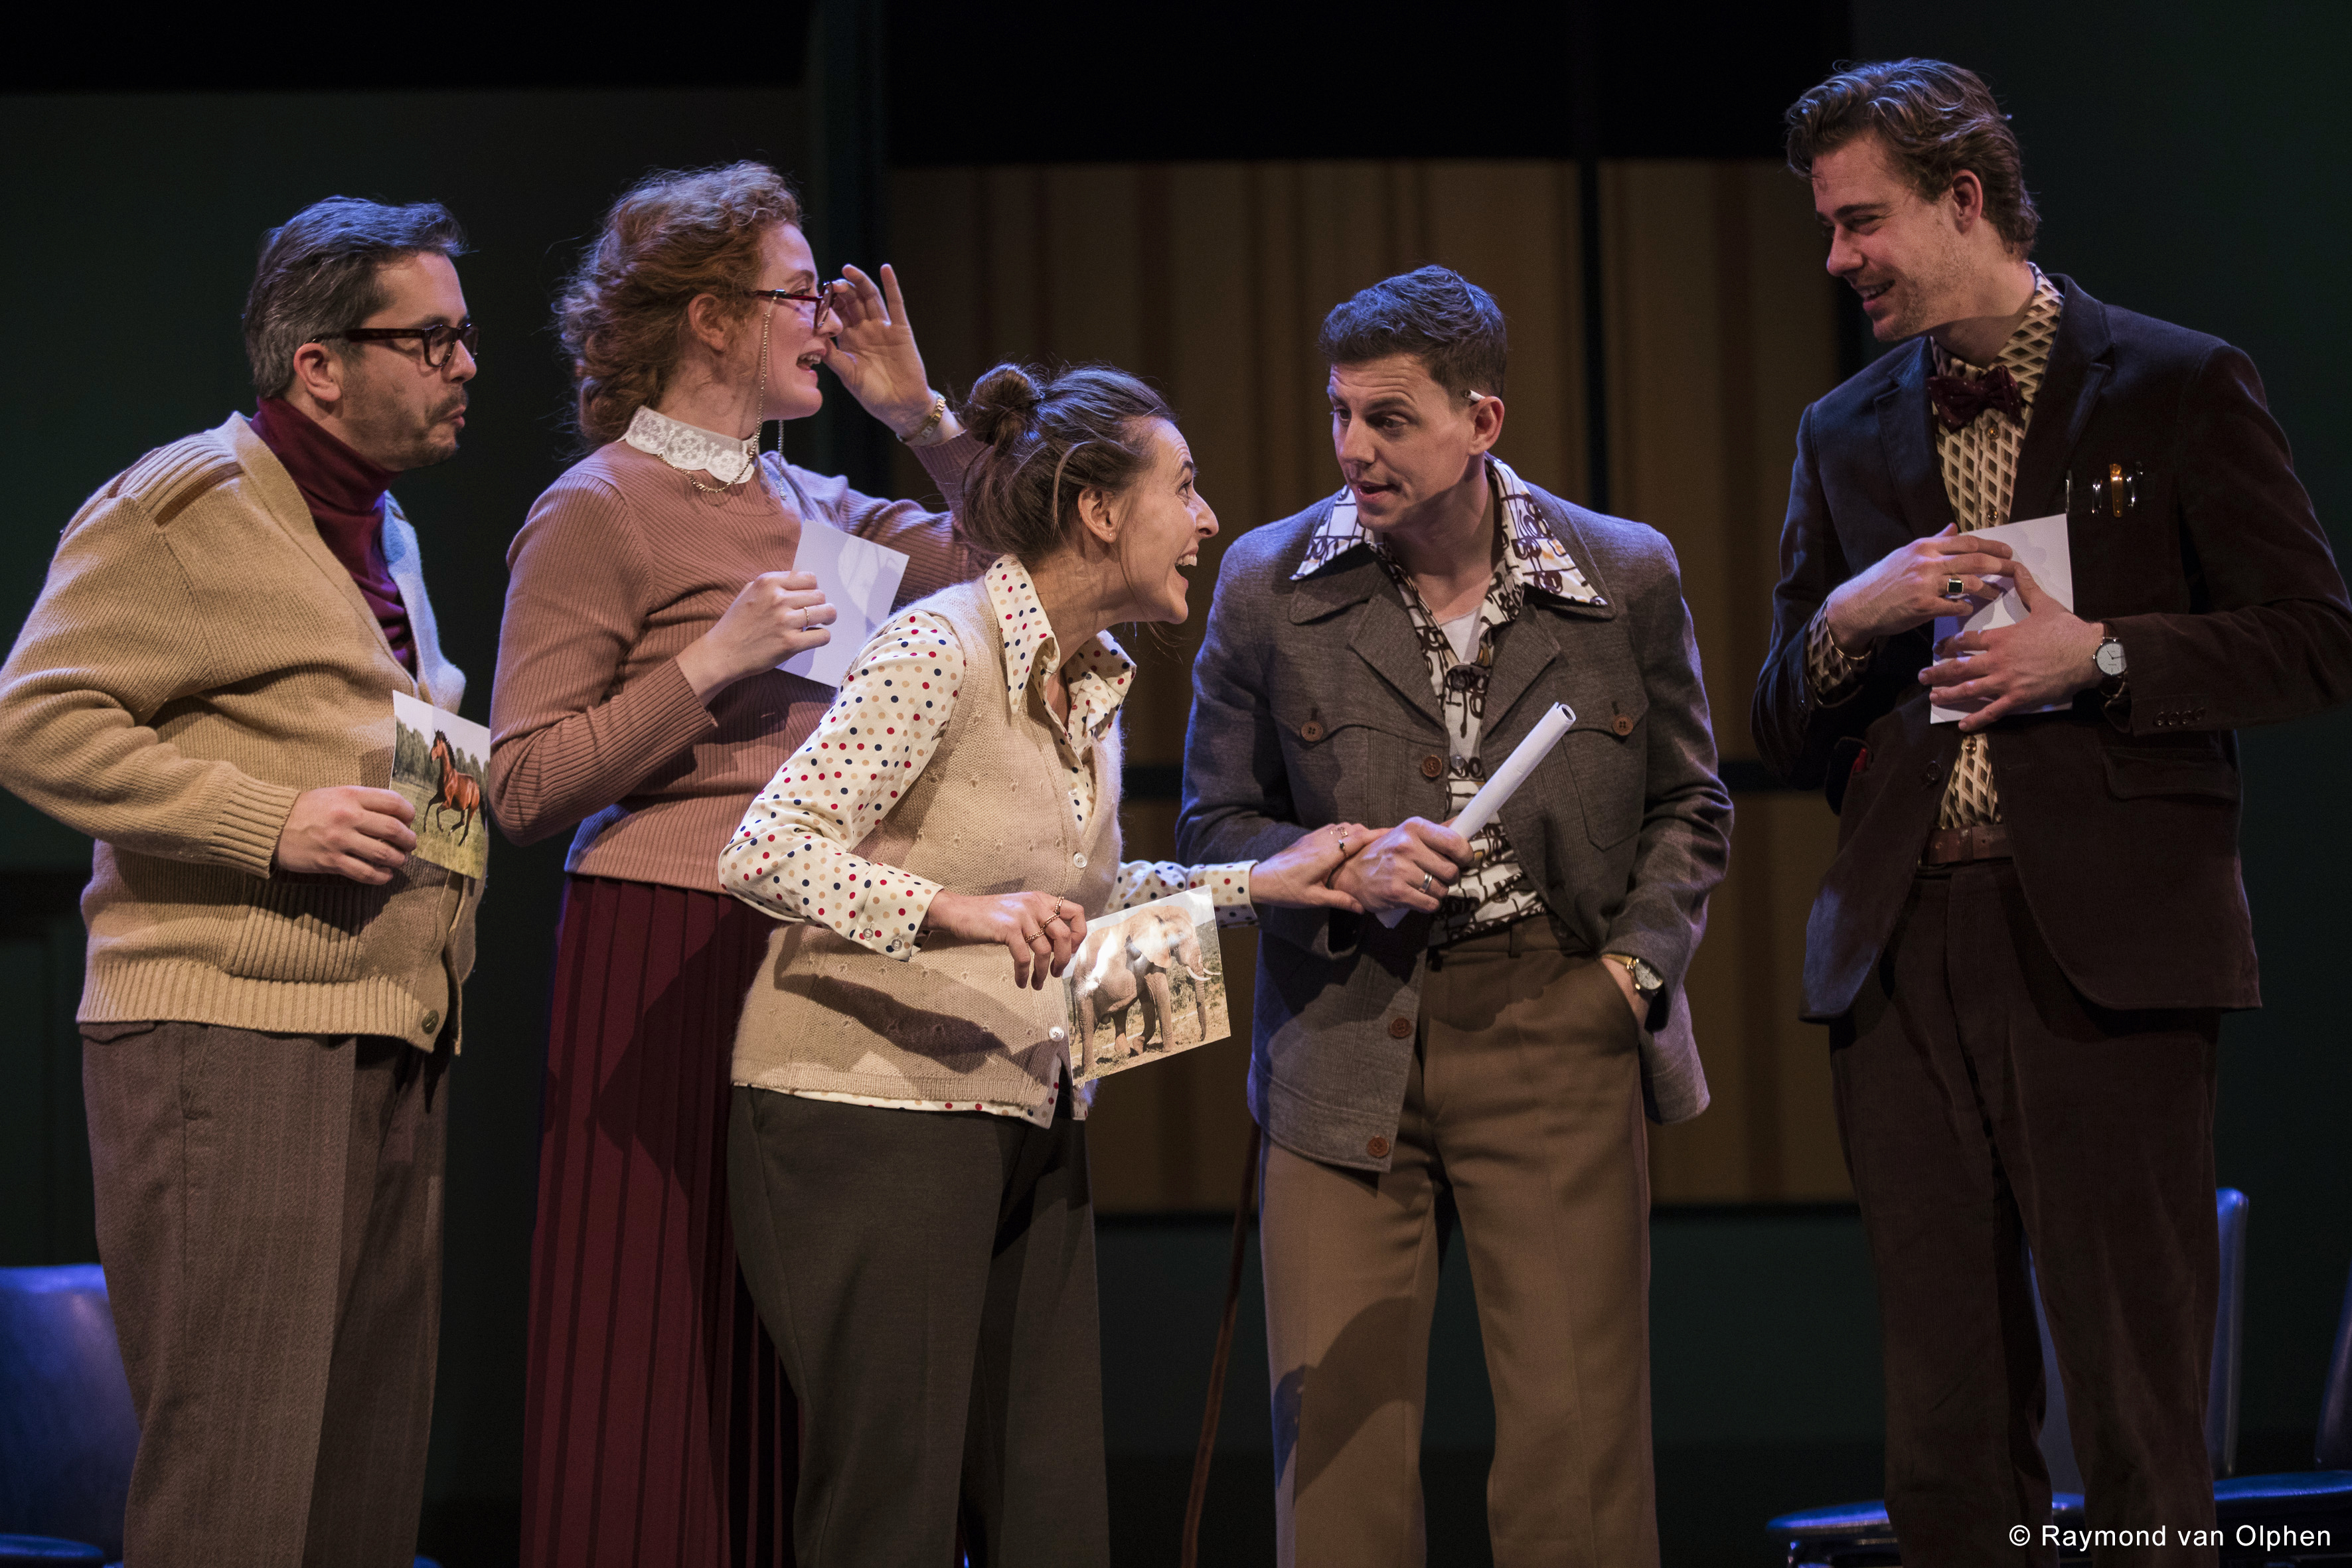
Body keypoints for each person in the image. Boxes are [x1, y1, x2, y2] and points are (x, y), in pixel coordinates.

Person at [1753, 60, 2352, 1567]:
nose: (1838, 261)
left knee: (2136, 1391)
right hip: (1902, 950)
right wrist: (1848, 614)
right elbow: (1778, 711)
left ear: (1963, 200)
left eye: (1860, 222)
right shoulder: (1841, 430)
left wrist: (2097, 654)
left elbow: (2311, 637)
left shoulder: (2169, 379)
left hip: (2106, 944)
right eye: (1827, 228)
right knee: (1941, 1415)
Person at [717, 362, 1364, 1566]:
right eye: (1186, 486)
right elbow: (765, 848)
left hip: (1028, 1102)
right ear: (1099, 509)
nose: (1210, 519)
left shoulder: (1094, 685)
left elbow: (1078, 903)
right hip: (872, 1109)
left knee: (1049, 1505)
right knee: (893, 1510)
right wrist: (960, 910)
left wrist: (1259, 883)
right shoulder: (941, 646)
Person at [1178, 266, 1733, 1567]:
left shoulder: (1618, 572)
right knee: (1338, 1461)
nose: (1351, 448)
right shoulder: (1270, 584)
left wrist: (1625, 978)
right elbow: (1214, 827)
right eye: (1338, 413)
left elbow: (1689, 806)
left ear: (1480, 420)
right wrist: (1338, 864)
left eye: (1387, 418)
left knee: (1575, 1452)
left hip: (1552, 1018)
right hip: (1339, 1029)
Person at [485, 161, 985, 1567]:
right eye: (796, 298)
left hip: (808, 940)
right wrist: (710, 663)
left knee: (795, 1334)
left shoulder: (816, 501)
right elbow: (521, 785)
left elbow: (1014, 568)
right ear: (709, 318)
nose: (824, 324)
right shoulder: (598, 506)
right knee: (660, 1322)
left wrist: (921, 416)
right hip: (661, 945)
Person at [0, 196, 480, 1567]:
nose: (465, 365)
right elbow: (33, 716)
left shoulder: (383, 534)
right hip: (229, 1028)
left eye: (464, 334)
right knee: (240, 1474)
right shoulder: (181, 508)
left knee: (362, 1473)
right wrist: (266, 818)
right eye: (428, 338)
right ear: (316, 362)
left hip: (389, 1020)